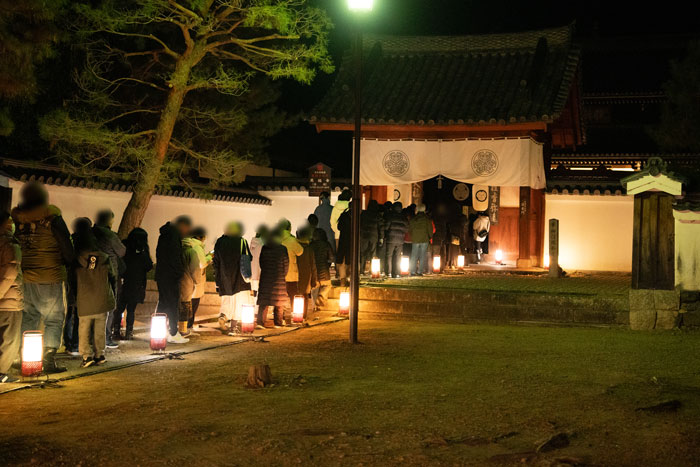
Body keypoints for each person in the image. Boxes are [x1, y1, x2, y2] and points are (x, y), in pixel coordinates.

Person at [12, 182, 74, 374]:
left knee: (29, 317)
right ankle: (48, 358)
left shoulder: (18, 221)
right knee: (54, 318)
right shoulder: (53, 219)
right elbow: (67, 250)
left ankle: (26, 357)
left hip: (26, 276)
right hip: (50, 275)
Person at [73, 223, 116, 368]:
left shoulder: (77, 258)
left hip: (85, 299)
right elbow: (112, 276)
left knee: (84, 329)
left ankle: (86, 356)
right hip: (102, 299)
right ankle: (100, 354)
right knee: (100, 328)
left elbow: (72, 279)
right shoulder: (104, 257)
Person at [155, 216, 191, 344]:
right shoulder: (174, 235)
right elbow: (175, 256)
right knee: (172, 304)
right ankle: (173, 333)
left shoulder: (164, 235)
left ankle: (158, 331)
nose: (187, 231)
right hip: (170, 275)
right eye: (187, 228)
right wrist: (179, 273)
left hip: (162, 274)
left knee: (163, 303)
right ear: (182, 225)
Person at [93, 209, 125, 347]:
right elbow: (122, 251)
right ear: (109, 221)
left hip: (90, 273)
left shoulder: (90, 233)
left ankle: (90, 337)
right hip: (108, 272)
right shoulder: (110, 235)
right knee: (109, 306)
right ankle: (105, 337)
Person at [213, 222, 252, 334]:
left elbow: (216, 262)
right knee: (238, 304)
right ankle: (233, 327)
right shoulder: (241, 241)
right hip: (239, 278)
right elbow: (247, 258)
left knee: (227, 302)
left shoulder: (220, 242)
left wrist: (218, 279)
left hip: (224, 278)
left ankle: (223, 317)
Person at [114, 228, 152, 340]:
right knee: (131, 309)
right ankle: (129, 332)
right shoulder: (142, 251)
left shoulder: (124, 248)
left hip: (123, 281)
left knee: (119, 308)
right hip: (136, 284)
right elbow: (148, 266)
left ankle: (116, 330)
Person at [64, 217, 92, 357]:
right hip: (84, 281)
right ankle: (75, 345)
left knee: (70, 312)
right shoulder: (89, 242)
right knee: (81, 315)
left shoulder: (71, 240)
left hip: (71, 278)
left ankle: (68, 342)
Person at [0, 212, 22, 383]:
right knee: (10, 338)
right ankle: (2, 372)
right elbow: (11, 272)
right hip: (9, 299)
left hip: (6, 297)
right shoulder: (10, 244)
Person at [256, 229, 289, 328]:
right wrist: (283, 275)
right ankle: (278, 322)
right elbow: (286, 265)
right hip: (278, 277)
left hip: (266, 277)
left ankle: (260, 322)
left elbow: (261, 263)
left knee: (264, 301)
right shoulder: (282, 249)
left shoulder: (265, 248)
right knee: (279, 302)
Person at [183, 227, 211, 332]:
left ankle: (184, 326)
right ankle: (188, 326)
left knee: (186, 304)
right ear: (200, 237)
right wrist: (209, 257)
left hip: (186, 281)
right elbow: (201, 264)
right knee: (193, 305)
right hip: (194, 281)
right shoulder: (197, 248)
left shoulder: (189, 245)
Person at [278, 219, 303, 323]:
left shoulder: (277, 239)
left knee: (280, 297)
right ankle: (294, 315)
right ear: (289, 228)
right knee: (293, 295)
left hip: (280, 273)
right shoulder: (292, 241)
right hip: (291, 273)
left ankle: (281, 316)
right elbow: (300, 251)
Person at [178, 230, 202, 338]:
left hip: (175, 283)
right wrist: (197, 281)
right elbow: (195, 270)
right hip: (186, 283)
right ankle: (183, 330)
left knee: (175, 306)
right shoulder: (192, 252)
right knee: (185, 307)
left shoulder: (177, 250)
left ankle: (173, 328)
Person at [295, 227, 318, 322]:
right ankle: (303, 316)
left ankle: (295, 314)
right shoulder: (309, 249)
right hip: (306, 275)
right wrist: (314, 280)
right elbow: (313, 265)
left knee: (295, 295)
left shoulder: (295, 247)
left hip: (295, 274)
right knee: (304, 296)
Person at [310, 228, 334, 309]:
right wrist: (328, 265)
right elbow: (331, 257)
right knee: (327, 285)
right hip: (324, 271)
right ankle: (321, 297)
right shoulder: (326, 244)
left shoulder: (311, 245)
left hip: (313, 271)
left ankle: (314, 306)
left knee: (314, 288)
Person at [384, 202, 409, 278]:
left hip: (391, 239)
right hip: (400, 240)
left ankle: (389, 272)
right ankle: (397, 273)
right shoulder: (403, 217)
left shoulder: (390, 216)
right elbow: (407, 229)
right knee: (398, 256)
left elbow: (386, 227)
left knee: (389, 256)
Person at [360, 200, 383, 274]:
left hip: (364, 235)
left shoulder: (363, 214)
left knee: (363, 253)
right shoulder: (377, 215)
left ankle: (361, 270)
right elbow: (381, 227)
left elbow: (360, 223)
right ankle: (372, 270)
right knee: (373, 253)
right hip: (374, 236)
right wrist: (381, 237)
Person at [409, 204, 432, 275]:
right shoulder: (427, 219)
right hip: (424, 239)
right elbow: (430, 230)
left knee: (414, 255)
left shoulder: (413, 219)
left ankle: (412, 271)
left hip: (415, 239)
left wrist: (412, 236)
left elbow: (410, 229)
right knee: (422, 256)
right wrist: (429, 237)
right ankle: (420, 271)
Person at [336, 203, 352, 286]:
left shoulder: (344, 215)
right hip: (352, 239)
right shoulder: (357, 216)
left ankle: (342, 278)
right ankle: (349, 277)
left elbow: (339, 227)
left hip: (343, 238)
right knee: (350, 259)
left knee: (341, 258)